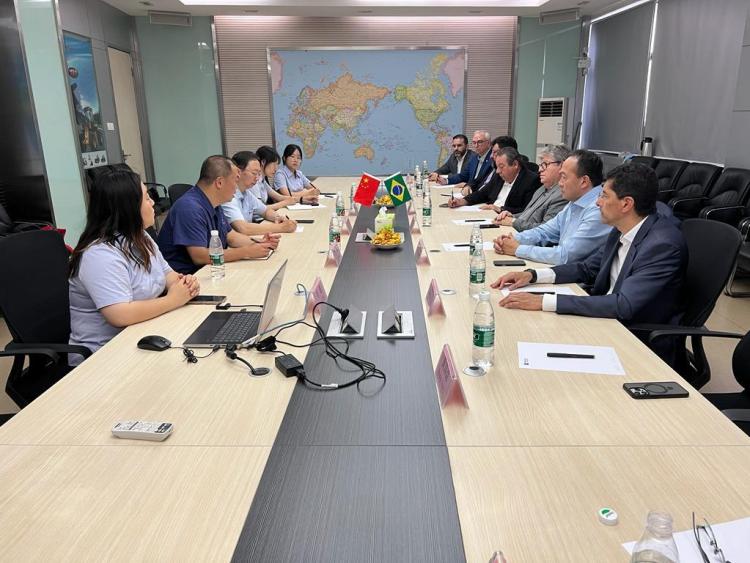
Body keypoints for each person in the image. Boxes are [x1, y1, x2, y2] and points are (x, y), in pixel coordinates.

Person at [491, 163, 687, 362]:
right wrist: (532, 275)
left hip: (635, 342)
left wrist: (543, 301)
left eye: (604, 196)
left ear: (626, 204)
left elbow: (623, 305)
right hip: (604, 320)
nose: (597, 202)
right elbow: (586, 268)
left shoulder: (661, 245)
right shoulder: (621, 228)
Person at [68, 166, 200, 362]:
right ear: (128, 207)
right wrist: (173, 300)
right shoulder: (99, 254)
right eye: (146, 198)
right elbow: (120, 315)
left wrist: (184, 284)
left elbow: (168, 275)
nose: (152, 202)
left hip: (143, 334)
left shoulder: (140, 236)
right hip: (103, 355)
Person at [158, 155, 279, 274]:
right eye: (235, 181)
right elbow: (199, 256)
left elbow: (231, 237)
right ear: (219, 183)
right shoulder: (189, 208)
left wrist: (260, 243)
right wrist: (246, 252)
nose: (237, 187)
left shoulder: (214, 203)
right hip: (188, 277)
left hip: (210, 270)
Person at [493, 149, 611, 265]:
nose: (560, 183)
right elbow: (544, 231)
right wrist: (512, 239)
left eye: (564, 177)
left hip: (576, 276)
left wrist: (517, 249)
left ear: (584, 181)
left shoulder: (598, 210)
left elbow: (566, 256)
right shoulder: (574, 202)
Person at [494, 144, 570, 231]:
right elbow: (527, 215)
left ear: (562, 166)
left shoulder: (563, 195)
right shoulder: (542, 189)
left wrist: (513, 222)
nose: (540, 169)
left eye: (545, 164)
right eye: (540, 165)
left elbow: (546, 230)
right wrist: (512, 216)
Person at [448, 146, 539, 214]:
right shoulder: (499, 176)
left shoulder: (531, 180)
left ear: (515, 164)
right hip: (488, 215)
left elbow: (526, 210)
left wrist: (499, 209)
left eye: (501, 167)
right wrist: (462, 201)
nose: (498, 171)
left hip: (506, 221)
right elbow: (482, 194)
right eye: (497, 166)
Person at [223, 151, 297, 235]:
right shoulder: (228, 196)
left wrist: (277, 217)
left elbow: (265, 211)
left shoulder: (246, 193)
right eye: (254, 173)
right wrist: (282, 227)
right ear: (238, 172)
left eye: (259, 174)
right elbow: (243, 228)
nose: (257, 178)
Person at [254, 145, 317, 211]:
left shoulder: (262, 180)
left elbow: (279, 197)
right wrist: (284, 203)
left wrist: (302, 199)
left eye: (298, 158)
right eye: (274, 164)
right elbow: (259, 209)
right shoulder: (255, 181)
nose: (276, 168)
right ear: (263, 162)